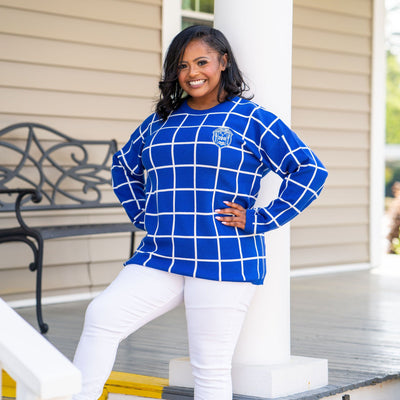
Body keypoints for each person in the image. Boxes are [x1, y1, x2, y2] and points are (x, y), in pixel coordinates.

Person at [73, 25, 328, 400]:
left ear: (223, 62)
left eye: (202, 61)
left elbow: (310, 170)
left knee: (209, 367)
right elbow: (123, 167)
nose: (192, 72)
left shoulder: (252, 118)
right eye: (182, 65)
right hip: (161, 253)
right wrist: (144, 215)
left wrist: (261, 218)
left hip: (223, 256)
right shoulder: (161, 120)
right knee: (101, 317)